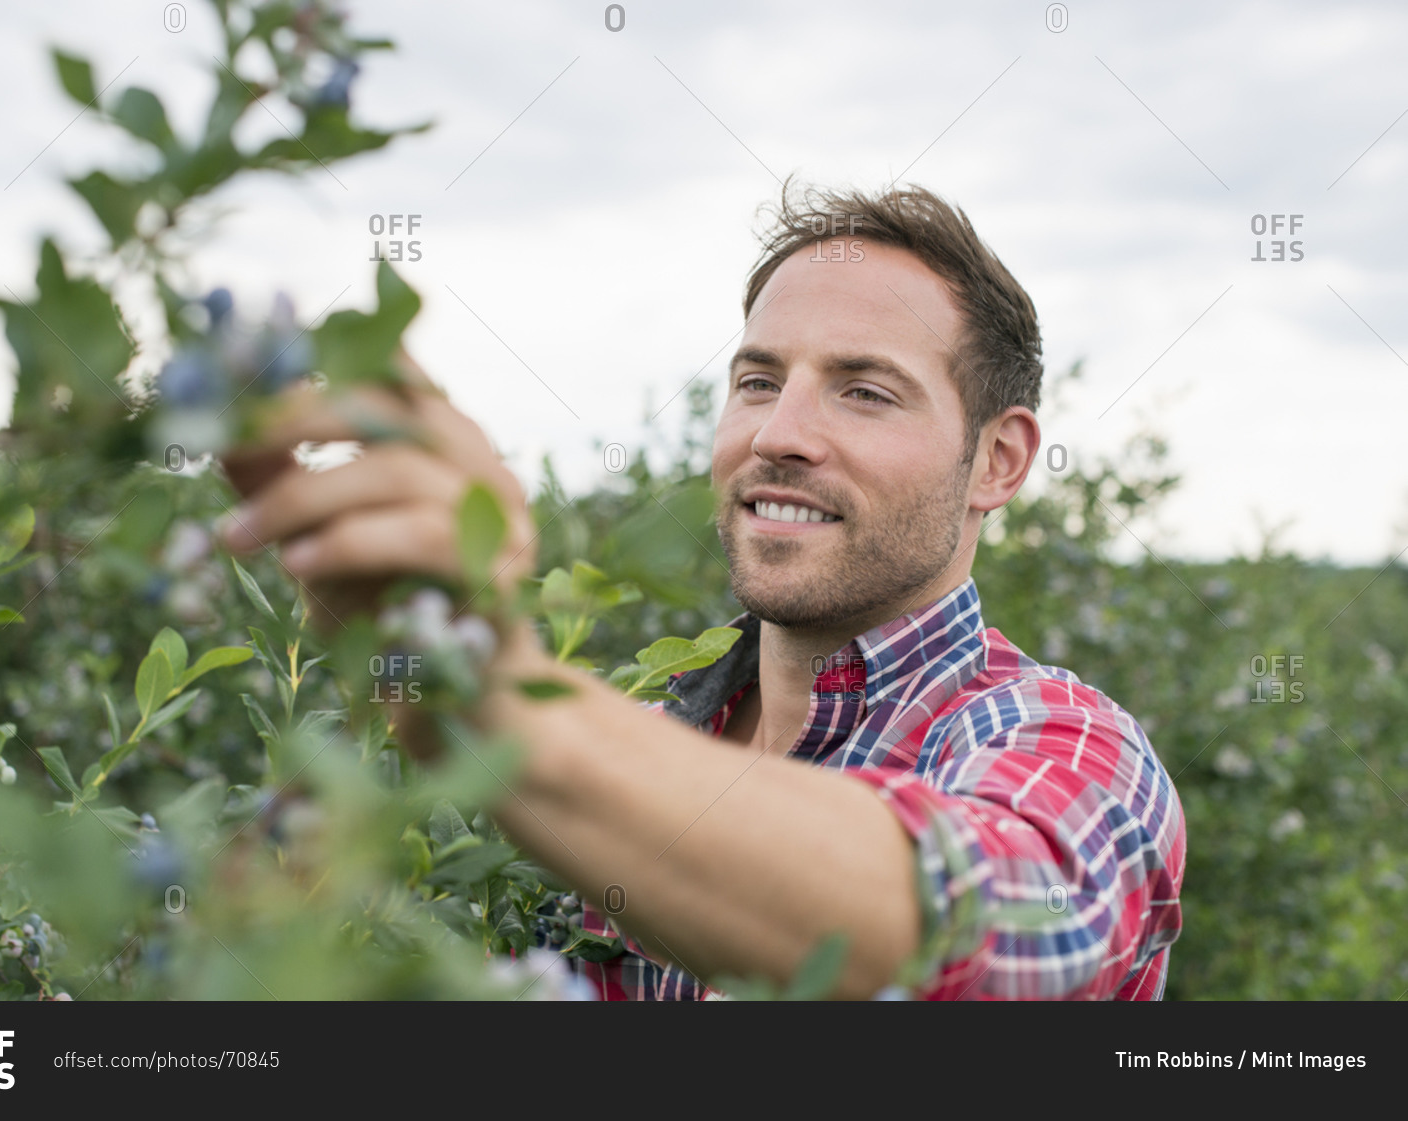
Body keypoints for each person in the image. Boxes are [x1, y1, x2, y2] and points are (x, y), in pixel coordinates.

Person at [217, 181, 1186, 1000]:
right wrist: (380, 675)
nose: (778, 434)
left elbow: (976, 925)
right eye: (759, 381)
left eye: (865, 390)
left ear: (998, 460)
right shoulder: (647, 729)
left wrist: (490, 689)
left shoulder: (1069, 747)